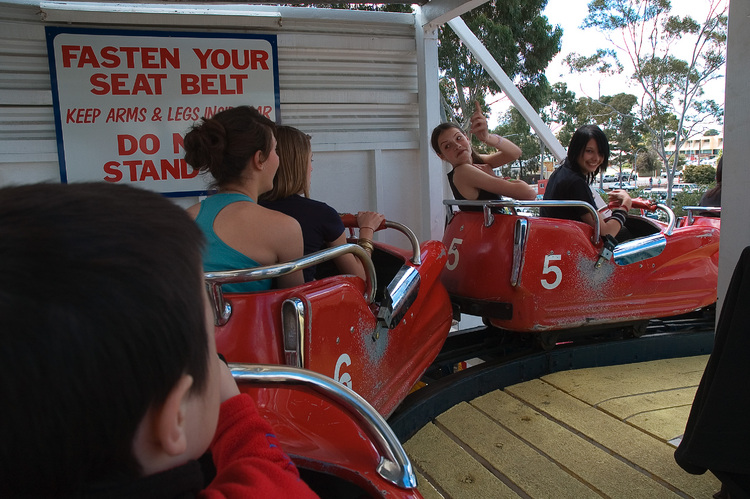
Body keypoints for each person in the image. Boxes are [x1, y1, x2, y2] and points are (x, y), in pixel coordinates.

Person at [0, 182, 319, 498]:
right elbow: (275, 477)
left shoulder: (195, 214)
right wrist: (235, 414)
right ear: (174, 416)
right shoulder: (285, 225)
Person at [185, 106, 304, 292]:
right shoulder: (285, 228)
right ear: (259, 159)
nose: (278, 158)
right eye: (275, 149)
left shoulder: (184, 220)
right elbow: (295, 306)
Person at [259, 125, 385, 282]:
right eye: (309, 160)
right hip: (302, 301)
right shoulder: (321, 215)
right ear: (296, 166)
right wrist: (367, 229)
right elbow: (361, 276)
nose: (311, 168)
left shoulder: (250, 207)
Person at [431, 101, 536, 203]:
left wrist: (487, 137)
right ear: (441, 156)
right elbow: (528, 193)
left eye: (458, 138)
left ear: (467, 138)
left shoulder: (476, 162)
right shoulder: (463, 171)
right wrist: (501, 179)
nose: (457, 146)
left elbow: (515, 153)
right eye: (447, 146)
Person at [540, 124, 632, 239]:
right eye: (589, 151)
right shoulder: (574, 183)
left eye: (600, 153)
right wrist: (626, 204)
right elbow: (606, 233)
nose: (596, 158)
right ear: (576, 150)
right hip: (567, 247)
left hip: (555, 240)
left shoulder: (562, 172)